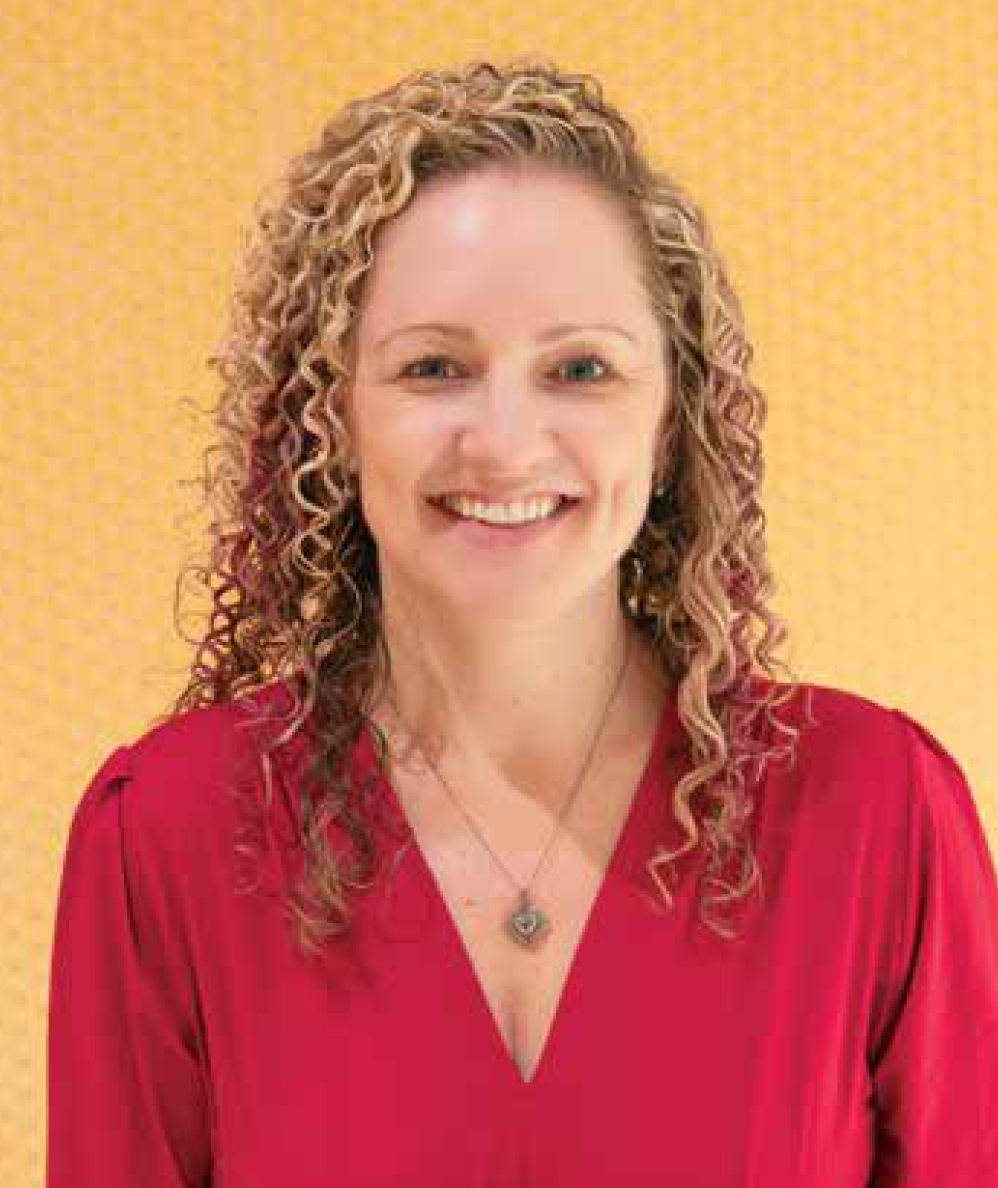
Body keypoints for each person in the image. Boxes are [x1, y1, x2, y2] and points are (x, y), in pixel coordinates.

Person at [46, 56, 998, 1186]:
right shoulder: (163, 839)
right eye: (433, 368)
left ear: (667, 421)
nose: (503, 441)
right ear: (332, 418)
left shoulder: (875, 815)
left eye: (579, 369)